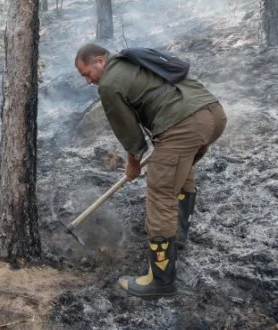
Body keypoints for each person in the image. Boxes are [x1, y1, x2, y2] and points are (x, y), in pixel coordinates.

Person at [74, 43, 227, 298]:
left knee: (160, 195)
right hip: (213, 114)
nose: (89, 81)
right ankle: (175, 238)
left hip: (183, 124)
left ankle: (159, 280)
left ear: (100, 61)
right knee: (181, 172)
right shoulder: (132, 60)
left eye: (87, 74)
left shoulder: (110, 83)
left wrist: (133, 163)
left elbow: (129, 132)